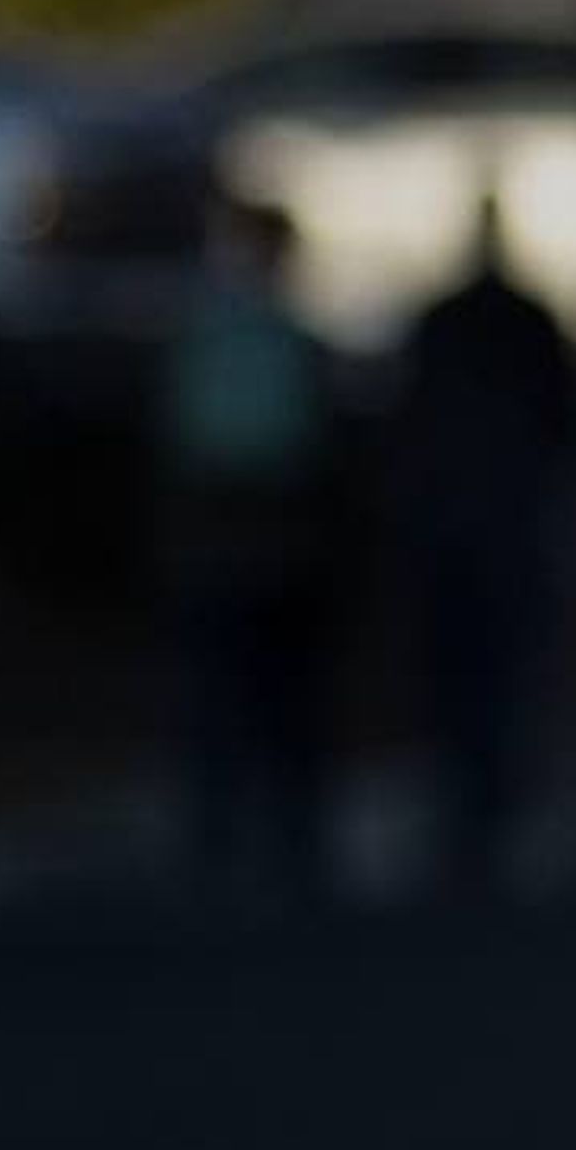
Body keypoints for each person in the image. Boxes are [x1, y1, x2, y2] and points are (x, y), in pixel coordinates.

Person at [393, 188, 576, 895]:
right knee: (500, 675)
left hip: (466, 523)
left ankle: (476, 809)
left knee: (473, 677)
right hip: (499, 521)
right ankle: (487, 807)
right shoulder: (520, 320)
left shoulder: (453, 323)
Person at [158, 191, 347, 901]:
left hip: (267, 542)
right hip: (241, 540)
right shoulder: (230, 335)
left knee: (267, 697)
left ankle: (262, 831)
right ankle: (236, 830)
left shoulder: (264, 337)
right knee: (242, 696)